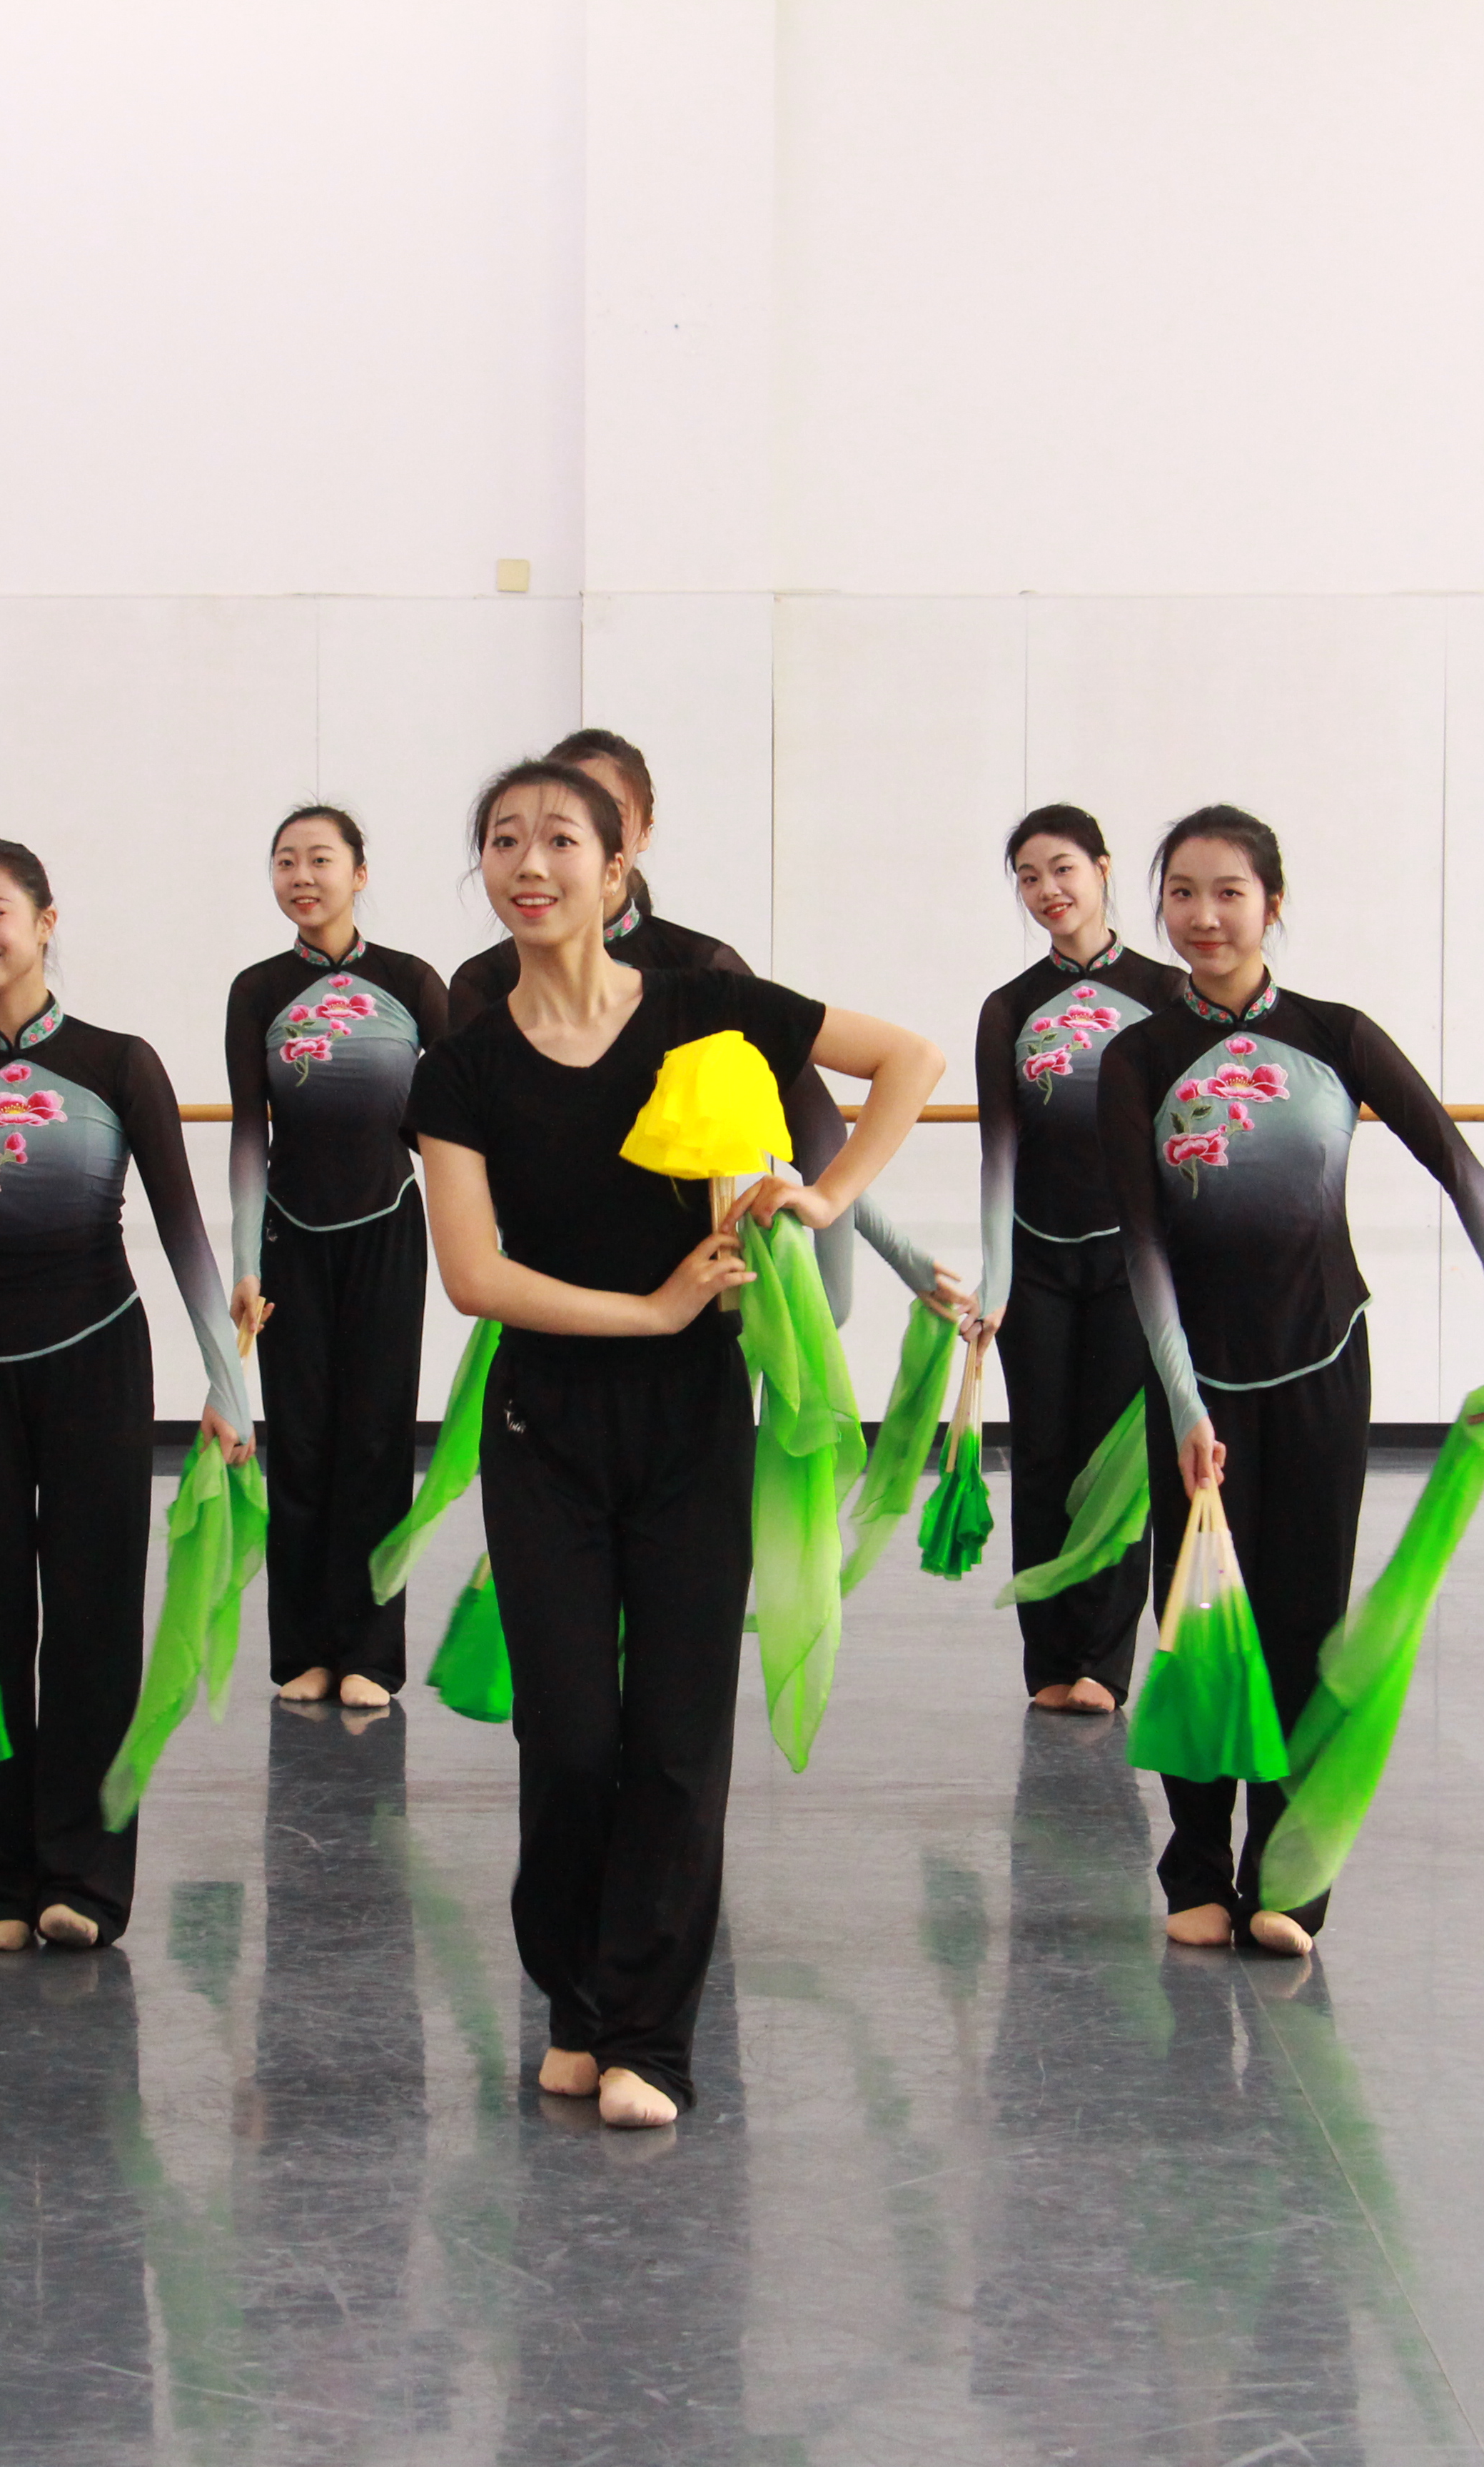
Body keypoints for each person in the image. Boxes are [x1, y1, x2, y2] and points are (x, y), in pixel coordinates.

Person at [409, 758, 942, 2127]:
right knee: (566, 1736)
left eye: (558, 840)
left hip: (692, 1420)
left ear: (615, 866)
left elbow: (907, 1061)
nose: (529, 864)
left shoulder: (702, 1004)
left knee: (675, 1737)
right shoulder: (460, 1064)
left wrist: (823, 1197)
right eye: (502, 841)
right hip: (542, 1420)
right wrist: (647, 1309)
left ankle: (648, 2033)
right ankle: (573, 2003)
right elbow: (472, 1275)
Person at [1100, 807, 1484, 1955]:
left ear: (1274, 903)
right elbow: (1141, 1246)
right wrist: (1184, 1403)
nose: (1204, 916)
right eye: (1182, 893)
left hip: (1324, 1364)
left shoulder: (1335, 1035)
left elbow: (1461, 1167)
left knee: (1305, 1623)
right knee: (1198, 1621)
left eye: (1229, 892)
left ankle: (1287, 1876)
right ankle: (1197, 1867)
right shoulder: (1138, 1056)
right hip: (1198, 1384)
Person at [0, 838, 251, 1954]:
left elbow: (184, 1233)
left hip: (98, 1362)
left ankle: (84, 1878)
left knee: (94, 1623)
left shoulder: (119, 1064)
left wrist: (226, 1385)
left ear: (46, 921)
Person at [447, 727, 966, 1323]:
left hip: (693, 1299)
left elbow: (821, 1120)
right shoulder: (480, 991)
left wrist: (856, 1228)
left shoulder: (701, 977)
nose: (541, 857)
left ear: (633, 841)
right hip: (560, 1305)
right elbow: (486, 1218)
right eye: (519, 836)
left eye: (589, 821)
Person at [223, 804, 448, 1710]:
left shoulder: (411, 981)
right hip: (289, 1235)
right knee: (303, 1441)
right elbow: (249, 1133)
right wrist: (245, 1261)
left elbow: (451, 1128)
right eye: (286, 861)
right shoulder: (257, 989)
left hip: (388, 1225)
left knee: (377, 1440)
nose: (302, 877)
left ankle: (373, 1654)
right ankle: (304, 1651)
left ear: (359, 873)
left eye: (321, 859)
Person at [972, 804, 1192, 1713]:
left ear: (1102, 868)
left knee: (1116, 1463)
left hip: (1133, 1266)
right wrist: (994, 1279)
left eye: (1062, 869)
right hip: (1038, 1264)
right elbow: (998, 1151)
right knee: (1042, 1459)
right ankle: (1048, 1661)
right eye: (1028, 877)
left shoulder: (1169, 994)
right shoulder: (1010, 1007)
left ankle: (1103, 1660)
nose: (1047, 890)